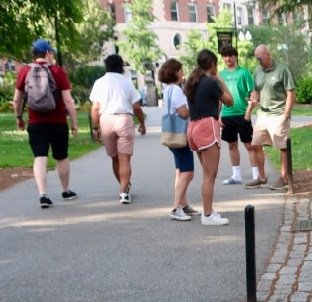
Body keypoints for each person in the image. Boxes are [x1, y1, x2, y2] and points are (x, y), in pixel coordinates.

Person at [12, 39, 79, 208]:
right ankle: (65, 191)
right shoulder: (58, 71)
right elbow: (68, 101)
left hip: (36, 122)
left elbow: (17, 99)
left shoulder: (25, 71)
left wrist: (19, 118)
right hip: (57, 123)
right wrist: (74, 122)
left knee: (40, 157)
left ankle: (43, 195)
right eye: (52, 52)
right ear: (48, 53)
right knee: (61, 157)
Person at [183, 49, 234, 226]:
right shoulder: (210, 82)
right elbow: (229, 100)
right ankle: (207, 215)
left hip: (193, 128)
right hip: (206, 127)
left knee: (206, 173)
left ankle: (209, 209)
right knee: (209, 176)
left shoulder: (191, 82)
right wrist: (220, 79)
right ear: (212, 64)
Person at [89, 54, 146, 203]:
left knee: (115, 158)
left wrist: (95, 127)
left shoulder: (99, 83)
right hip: (123, 119)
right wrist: (142, 124)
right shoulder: (127, 83)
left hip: (106, 120)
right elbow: (136, 107)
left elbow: (95, 108)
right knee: (125, 159)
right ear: (121, 66)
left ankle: (123, 185)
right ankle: (124, 191)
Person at [248, 44, 296, 192]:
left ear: (268, 55)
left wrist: (286, 113)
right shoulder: (258, 71)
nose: (258, 62)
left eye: (260, 58)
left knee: (282, 147)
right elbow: (256, 90)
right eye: (256, 59)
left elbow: (290, 93)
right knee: (255, 144)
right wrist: (251, 105)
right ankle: (262, 178)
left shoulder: (282, 71)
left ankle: (284, 178)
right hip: (263, 114)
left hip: (279, 114)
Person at [157, 59, 199, 221]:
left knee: (180, 171)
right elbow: (183, 112)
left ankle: (183, 203)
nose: (182, 73)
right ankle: (176, 207)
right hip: (180, 134)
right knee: (188, 172)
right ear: (174, 72)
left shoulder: (167, 89)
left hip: (172, 134)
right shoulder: (176, 90)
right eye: (180, 70)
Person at [218, 46, 260, 185]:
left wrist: (249, 111)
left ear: (236, 57)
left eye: (230, 55)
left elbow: (253, 92)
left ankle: (256, 176)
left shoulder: (244, 72)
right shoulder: (220, 74)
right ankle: (236, 176)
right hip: (227, 115)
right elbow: (218, 97)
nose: (228, 58)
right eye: (225, 56)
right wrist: (218, 116)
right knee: (231, 145)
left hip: (242, 114)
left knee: (249, 145)